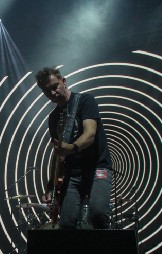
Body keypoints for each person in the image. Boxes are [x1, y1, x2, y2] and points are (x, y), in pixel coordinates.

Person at [35, 66, 112, 229]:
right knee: (67, 222)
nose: (52, 93)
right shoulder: (53, 118)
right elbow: (57, 154)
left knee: (98, 214)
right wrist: (51, 185)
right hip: (73, 173)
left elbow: (90, 134)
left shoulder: (86, 101)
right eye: (46, 91)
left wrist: (71, 148)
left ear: (64, 81)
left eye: (54, 87)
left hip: (97, 168)